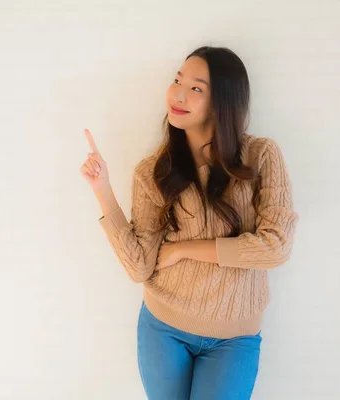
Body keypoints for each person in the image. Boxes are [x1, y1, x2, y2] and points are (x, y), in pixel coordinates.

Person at [79, 46, 298, 400]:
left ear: (222, 101)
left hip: (234, 339)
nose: (178, 94)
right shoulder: (154, 172)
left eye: (196, 88)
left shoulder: (260, 156)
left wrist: (183, 250)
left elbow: (275, 247)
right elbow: (140, 267)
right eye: (177, 80)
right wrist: (102, 190)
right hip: (163, 328)